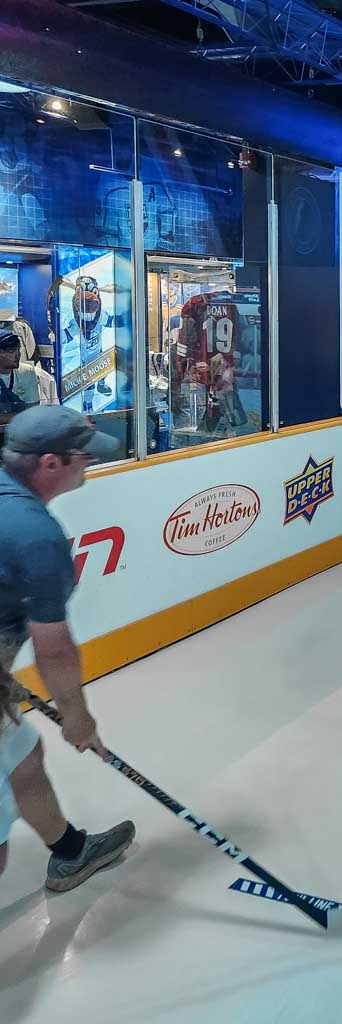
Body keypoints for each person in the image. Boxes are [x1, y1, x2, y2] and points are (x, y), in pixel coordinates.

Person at [0, 406, 135, 891]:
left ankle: (71, 852)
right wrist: (77, 718)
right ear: (51, 464)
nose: (91, 463)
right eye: (83, 456)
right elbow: (52, 649)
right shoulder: (37, 537)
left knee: (23, 756)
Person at [0, 330, 39, 445]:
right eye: (11, 351)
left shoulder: (26, 372)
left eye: (18, 349)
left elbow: (33, 412)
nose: (18, 355)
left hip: (21, 436)